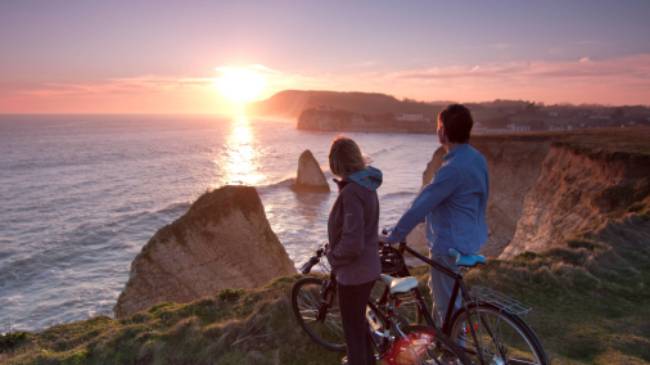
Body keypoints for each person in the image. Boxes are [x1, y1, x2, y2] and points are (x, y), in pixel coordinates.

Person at [385, 104, 489, 326]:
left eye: (438, 126)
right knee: (447, 297)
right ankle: (446, 340)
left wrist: (394, 236)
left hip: (449, 244)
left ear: (443, 131)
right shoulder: (476, 158)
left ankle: (453, 355)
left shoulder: (452, 169)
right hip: (471, 236)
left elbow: (421, 205)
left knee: (447, 306)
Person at [326, 136, 382, 365]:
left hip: (353, 274)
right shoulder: (367, 185)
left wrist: (334, 256)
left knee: (352, 330)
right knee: (359, 323)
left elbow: (353, 241)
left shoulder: (351, 193)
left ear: (338, 163)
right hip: (369, 268)